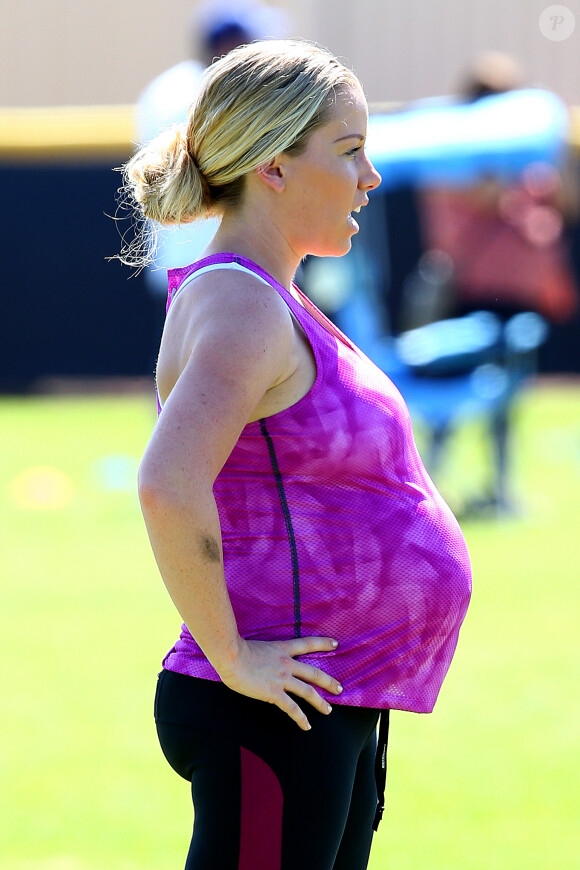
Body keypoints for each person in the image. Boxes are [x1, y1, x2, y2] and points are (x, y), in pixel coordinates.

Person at [118, 39, 472, 870]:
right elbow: (168, 484)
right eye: (350, 151)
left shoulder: (269, 294)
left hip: (320, 702)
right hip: (270, 708)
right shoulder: (241, 303)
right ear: (273, 166)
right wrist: (234, 658)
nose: (369, 177)